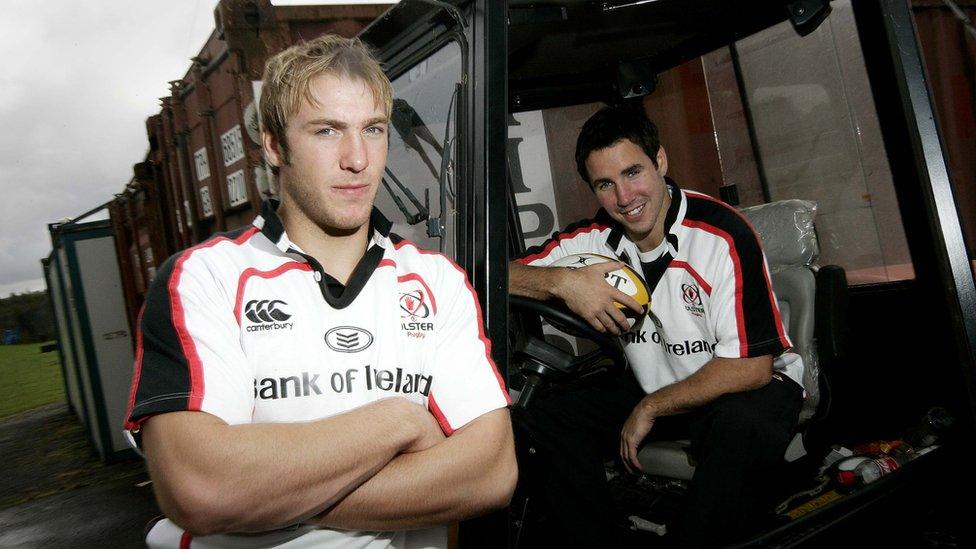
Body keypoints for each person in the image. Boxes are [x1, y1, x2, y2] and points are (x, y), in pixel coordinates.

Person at [124, 34, 516, 548]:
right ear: (273, 145)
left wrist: (263, 497)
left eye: (373, 129)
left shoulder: (437, 280)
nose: (357, 159)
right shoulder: (204, 279)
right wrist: (398, 422)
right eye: (327, 131)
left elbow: (490, 475)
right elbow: (202, 489)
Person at [509, 104, 804, 547]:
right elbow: (491, 276)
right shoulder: (592, 240)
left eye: (633, 173)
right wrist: (561, 281)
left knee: (740, 425)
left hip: (741, 387)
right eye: (605, 184)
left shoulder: (722, 234)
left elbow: (751, 367)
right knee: (542, 417)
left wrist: (650, 408)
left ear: (661, 162)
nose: (624, 198)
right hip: (657, 382)